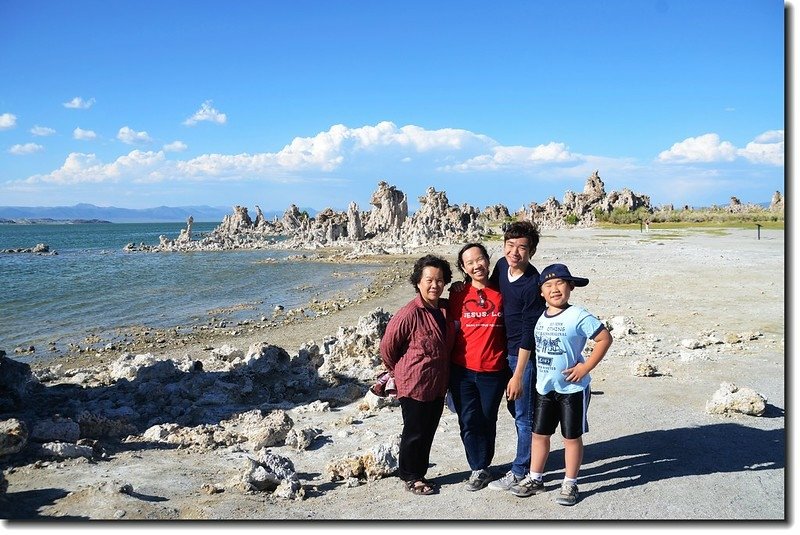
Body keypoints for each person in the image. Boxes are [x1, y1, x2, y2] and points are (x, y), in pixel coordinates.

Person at [509, 263, 613, 506]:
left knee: (571, 437)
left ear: (570, 287)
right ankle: (535, 478)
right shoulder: (538, 318)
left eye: (560, 283)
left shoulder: (577, 315)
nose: (554, 289)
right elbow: (528, 345)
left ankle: (570, 482)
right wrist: (518, 375)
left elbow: (604, 338)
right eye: (548, 285)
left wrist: (585, 367)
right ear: (541, 293)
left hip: (572, 390)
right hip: (545, 387)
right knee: (538, 435)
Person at [379, 254, 456, 496]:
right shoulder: (409, 313)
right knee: (414, 431)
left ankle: (419, 472)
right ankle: (411, 477)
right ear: (418, 282)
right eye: (429, 280)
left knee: (428, 429)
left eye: (440, 280)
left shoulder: (444, 309)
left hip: (437, 383)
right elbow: (387, 348)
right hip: (414, 384)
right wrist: (400, 372)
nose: (435, 285)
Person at [487, 220, 547, 492]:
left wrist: (519, 374)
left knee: (524, 416)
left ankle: (520, 470)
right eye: (510, 246)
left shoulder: (533, 283)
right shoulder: (501, 266)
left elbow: (528, 333)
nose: (515, 252)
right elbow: (487, 295)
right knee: (516, 411)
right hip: (499, 351)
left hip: (520, 357)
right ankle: (530, 457)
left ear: (531, 251)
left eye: (522, 248)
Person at [447, 243, 509, 491]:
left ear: (487, 260)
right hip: (461, 370)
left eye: (480, 259)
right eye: (470, 262)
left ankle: (485, 462)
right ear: (464, 268)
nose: (476, 265)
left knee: (487, 419)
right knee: (467, 420)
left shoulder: (503, 293)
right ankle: (478, 467)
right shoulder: (457, 295)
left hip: (493, 370)